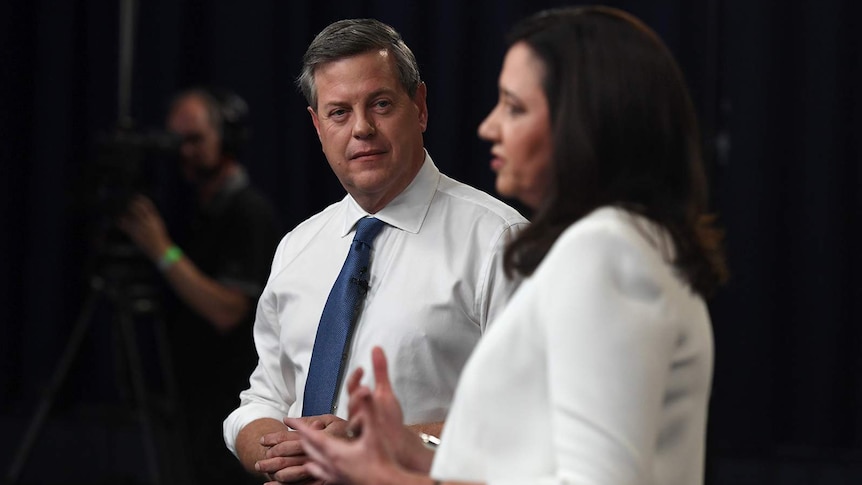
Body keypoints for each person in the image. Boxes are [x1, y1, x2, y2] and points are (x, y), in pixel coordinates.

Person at [287, 6, 729, 485]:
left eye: (514, 107)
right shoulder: (626, 242)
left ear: (581, 121)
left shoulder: (606, 251)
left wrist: (386, 479)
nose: (489, 127)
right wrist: (411, 452)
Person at [222, 18, 528, 484]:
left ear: (420, 107)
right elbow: (264, 398)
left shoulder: (498, 240)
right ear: (317, 125)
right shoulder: (297, 247)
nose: (361, 128)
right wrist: (275, 452)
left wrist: (376, 447)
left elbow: (530, 417)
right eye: (339, 112)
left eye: (380, 104)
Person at [117, 87, 282, 485]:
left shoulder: (249, 213)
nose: (184, 152)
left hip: (229, 402)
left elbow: (227, 311)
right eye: (177, 141)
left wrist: (162, 251)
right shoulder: (194, 210)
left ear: (226, 137)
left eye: (195, 139)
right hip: (189, 401)